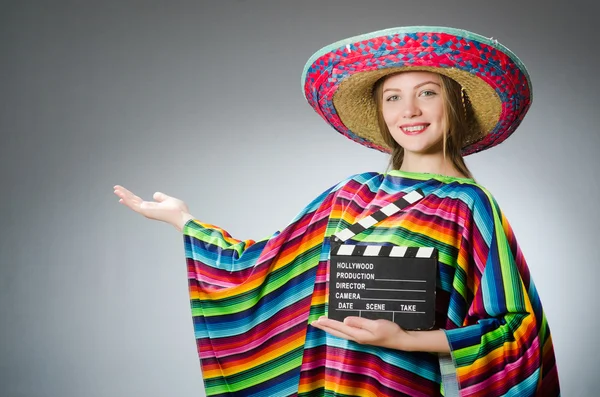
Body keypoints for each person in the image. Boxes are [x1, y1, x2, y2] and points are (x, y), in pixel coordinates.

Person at [114, 26, 560, 396]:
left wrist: (406, 340)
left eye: (427, 93)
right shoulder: (351, 194)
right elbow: (265, 263)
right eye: (392, 97)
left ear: (457, 103)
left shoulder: (469, 206)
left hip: (407, 386)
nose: (409, 110)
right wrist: (184, 220)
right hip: (334, 382)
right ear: (381, 112)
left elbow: (512, 333)